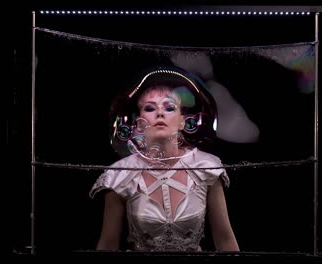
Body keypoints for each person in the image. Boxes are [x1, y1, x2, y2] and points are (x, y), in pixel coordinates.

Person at [89, 67, 239, 252]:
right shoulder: (120, 174)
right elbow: (107, 247)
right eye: (150, 108)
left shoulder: (206, 168)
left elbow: (225, 242)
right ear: (139, 123)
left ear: (183, 121)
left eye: (169, 107)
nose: (160, 113)